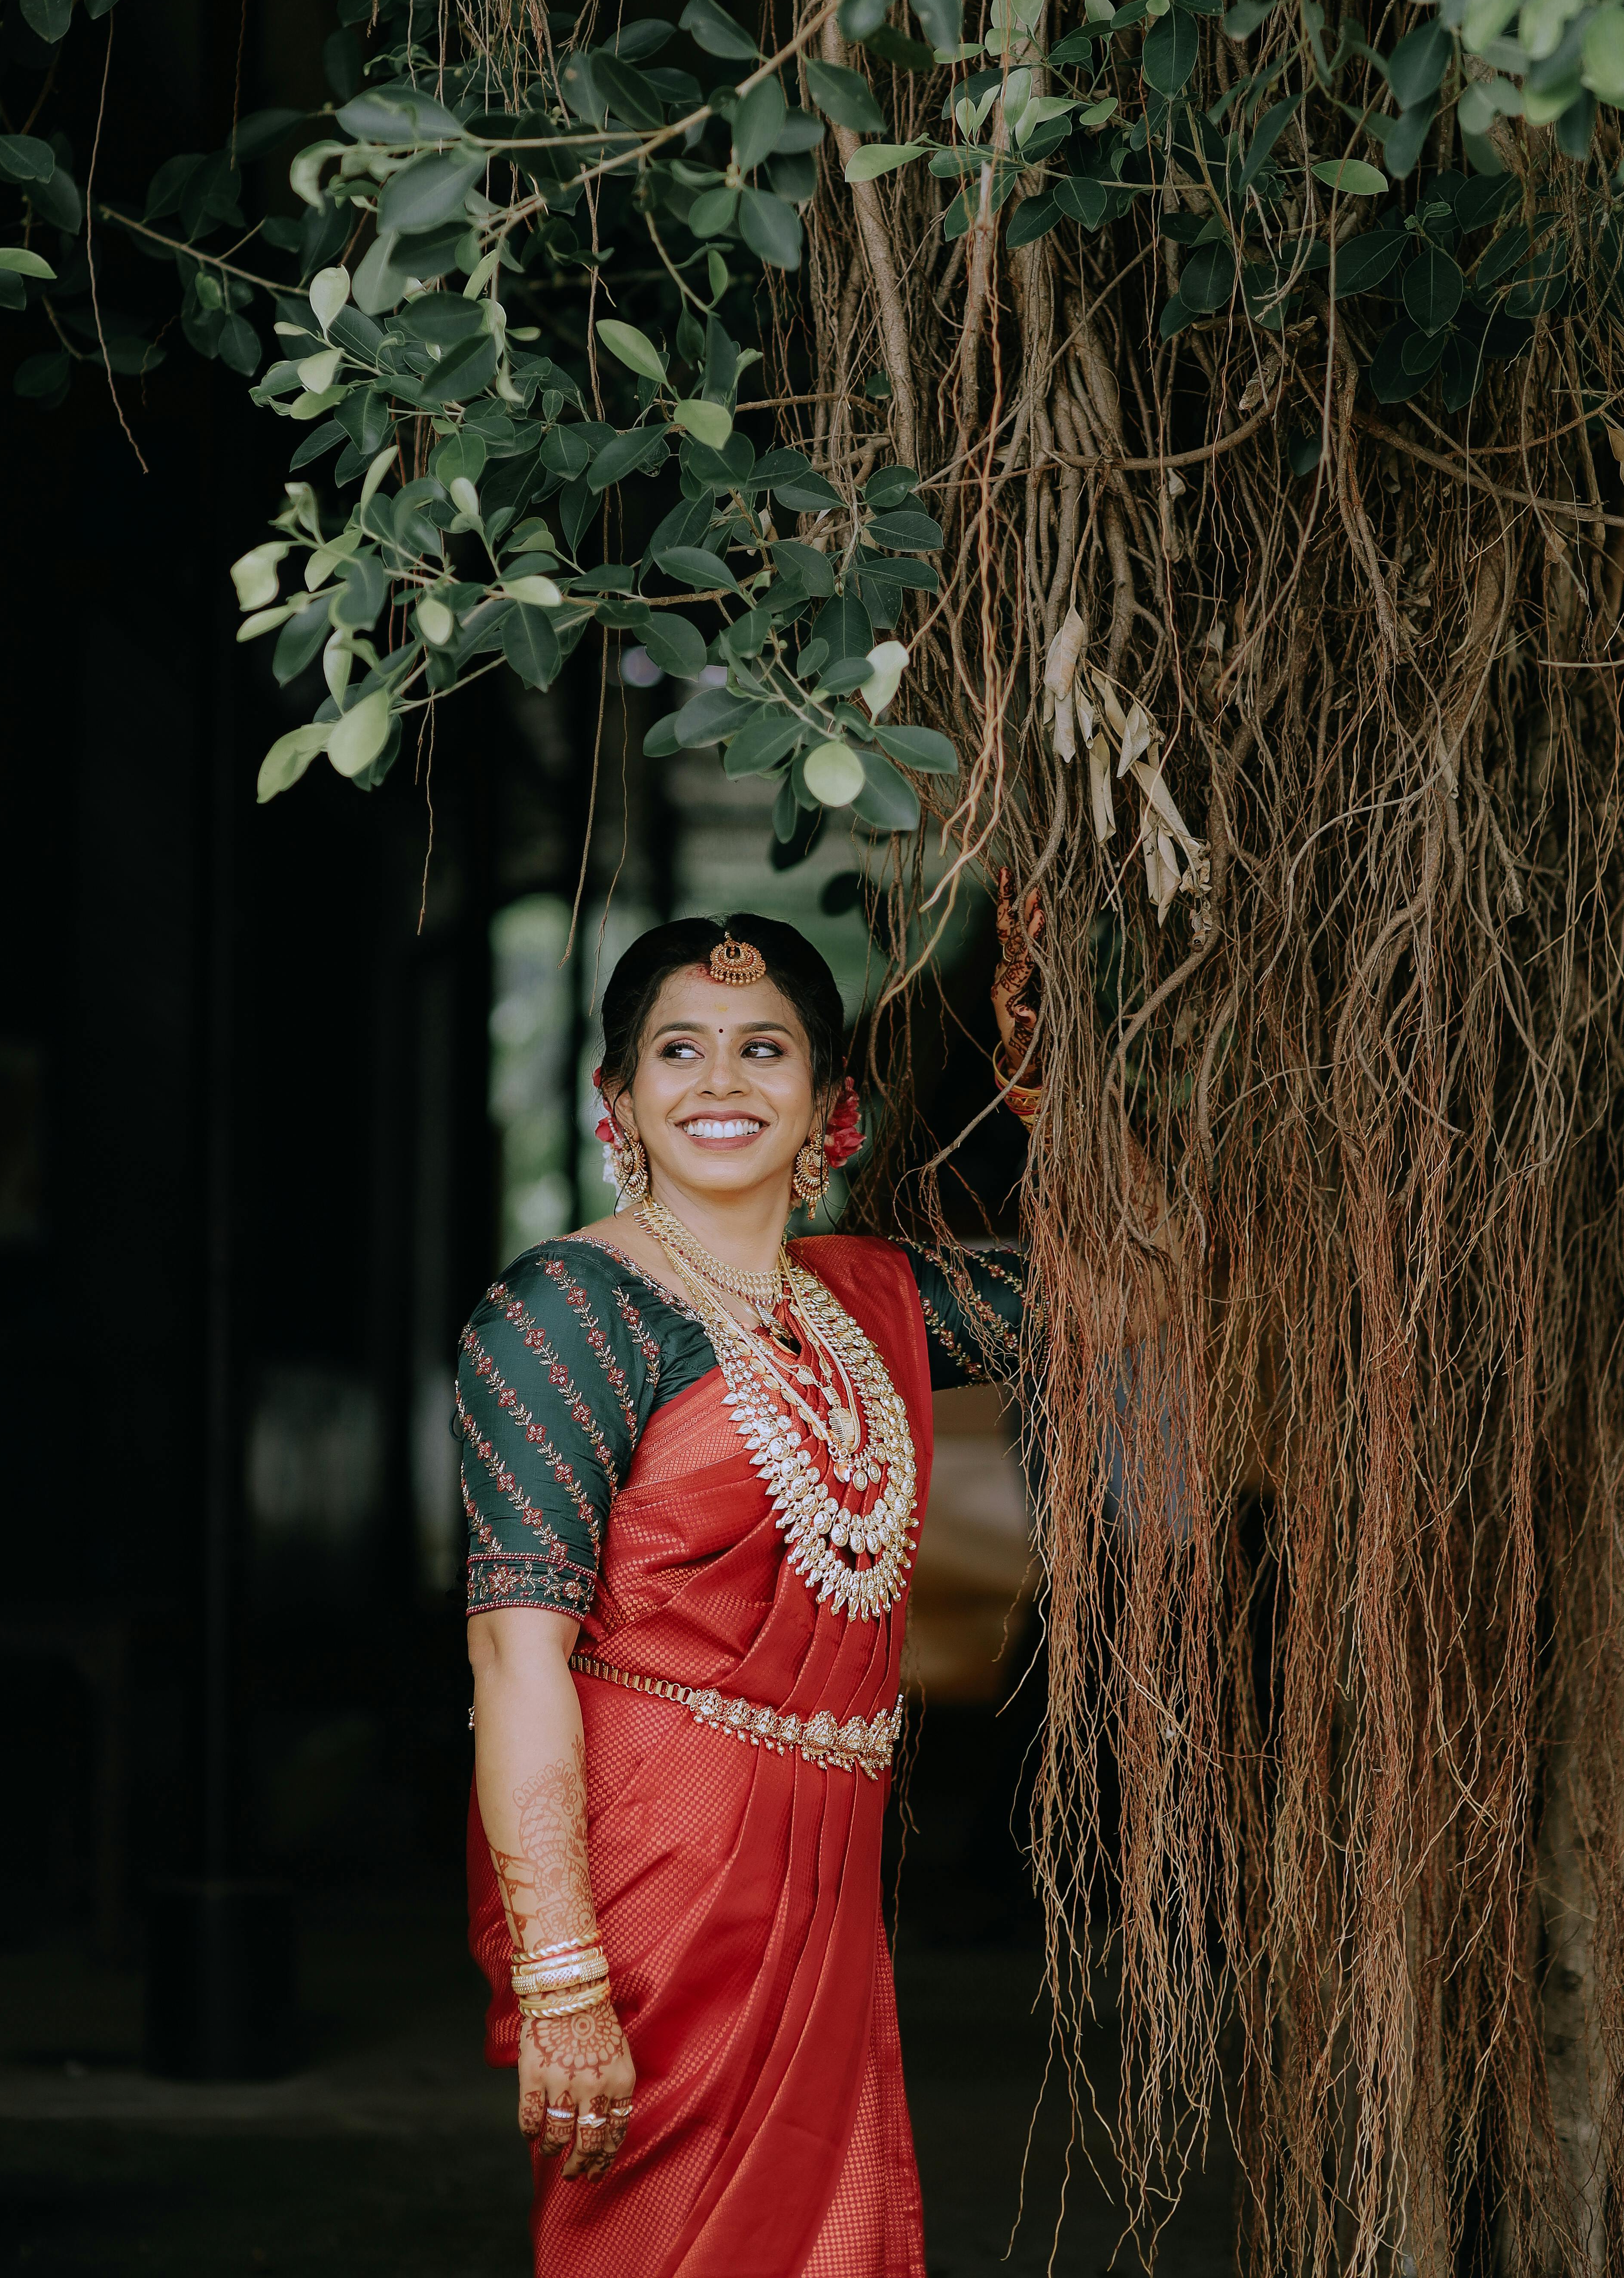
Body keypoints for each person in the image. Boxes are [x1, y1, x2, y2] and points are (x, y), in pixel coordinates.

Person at [458, 898, 1046, 2278]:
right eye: (678, 1050)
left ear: (832, 1103)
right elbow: (511, 1658)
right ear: (617, 1100)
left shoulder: (868, 1302)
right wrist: (561, 1981)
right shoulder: (567, 1312)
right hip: (652, 1882)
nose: (720, 1082)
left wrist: (1037, 1068)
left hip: (822, 1872)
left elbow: (1121, 1289)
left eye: (765, 1049)